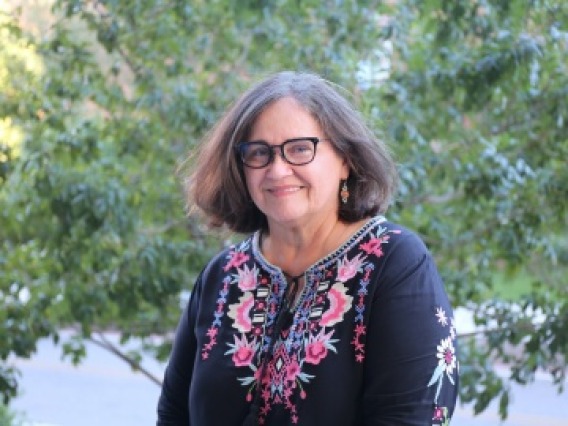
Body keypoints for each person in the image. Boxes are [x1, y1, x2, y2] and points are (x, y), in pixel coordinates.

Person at [157, 71, 459, 425]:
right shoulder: (223, 276)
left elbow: (411, 418)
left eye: (300, 149)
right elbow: (173, 415)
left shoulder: (395, 263)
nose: (278, 169)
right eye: (259, 153)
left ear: (346, 159)